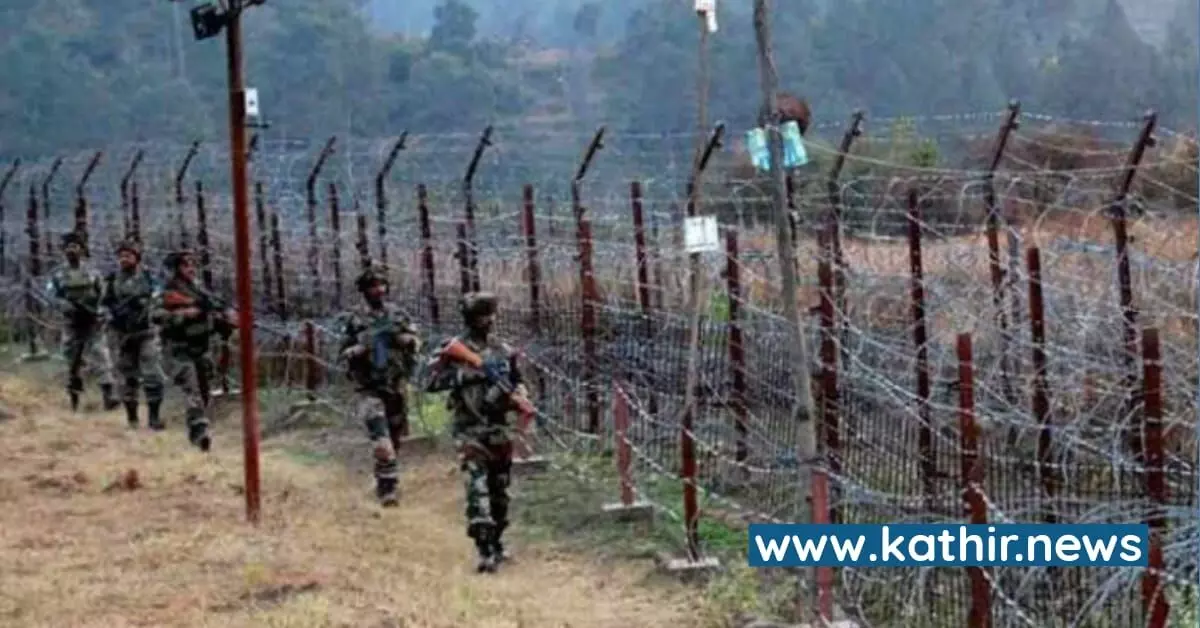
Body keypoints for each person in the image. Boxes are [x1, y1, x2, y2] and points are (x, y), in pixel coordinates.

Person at [424, 292, 528, 573]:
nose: (488, 321)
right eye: (482, 316)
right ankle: (484, 550)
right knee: (476, 490)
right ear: (471, 319)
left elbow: (517, 381)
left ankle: (497, 542)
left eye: (490, 315)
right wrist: (469, 374)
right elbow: (429, 381)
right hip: (469, 430)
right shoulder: (454, 348)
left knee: (499, 493)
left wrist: (520, 398)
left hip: (498, 430)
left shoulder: (503, 351)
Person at [338, 264, 421, 507]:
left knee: (394, 440)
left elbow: (417, 342)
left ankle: (385, 479)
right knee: (381, 442)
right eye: (373, 286)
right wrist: (360, 349)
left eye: (382, 285)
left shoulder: (397, 316)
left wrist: (406, 340)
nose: (379, 290)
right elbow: (342, 354)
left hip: (395, 386)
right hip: (369, 388)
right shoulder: (355, 320)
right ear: (364, 290)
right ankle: (388, 491)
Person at [153, 248, 236, 451]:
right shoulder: (166, 291)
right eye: (185, 264)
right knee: (192, 390)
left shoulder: (200, 291)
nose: (191, 268)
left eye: (192, 264)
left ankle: (197, 430)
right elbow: (155, 315)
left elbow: (212, 316)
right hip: (178, 350)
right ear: (176, 268)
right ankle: (199, 431)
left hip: (201, 348)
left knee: (204, 391)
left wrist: (225, 322)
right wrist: (183, 315)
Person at [46, 231, 118, 412]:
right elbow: (51, 296)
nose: (72, 250)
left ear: (81, 249)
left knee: (101, 356)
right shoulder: (58, 274)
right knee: (72, 360)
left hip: (93, 321)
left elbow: (104, 295)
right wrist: (64, 306)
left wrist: (101, 311)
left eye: (75, 247)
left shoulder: (92, 273)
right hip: (72, 323)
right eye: (68, 247)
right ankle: (74, 399)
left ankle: (109, 396)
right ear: (63, 250)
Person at [102, 239, 166, 430]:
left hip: (146, 332)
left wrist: (147, 306)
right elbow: (103, 304)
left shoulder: (148, 278)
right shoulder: (112, 281)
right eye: (121, 256)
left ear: (137, 258)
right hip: (123, 334)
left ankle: (154, 418)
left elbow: (160, 296)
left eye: (128, 256)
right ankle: (132, 419)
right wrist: (112, 314)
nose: (124, 260)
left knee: (153, 374)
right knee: (127, 376)